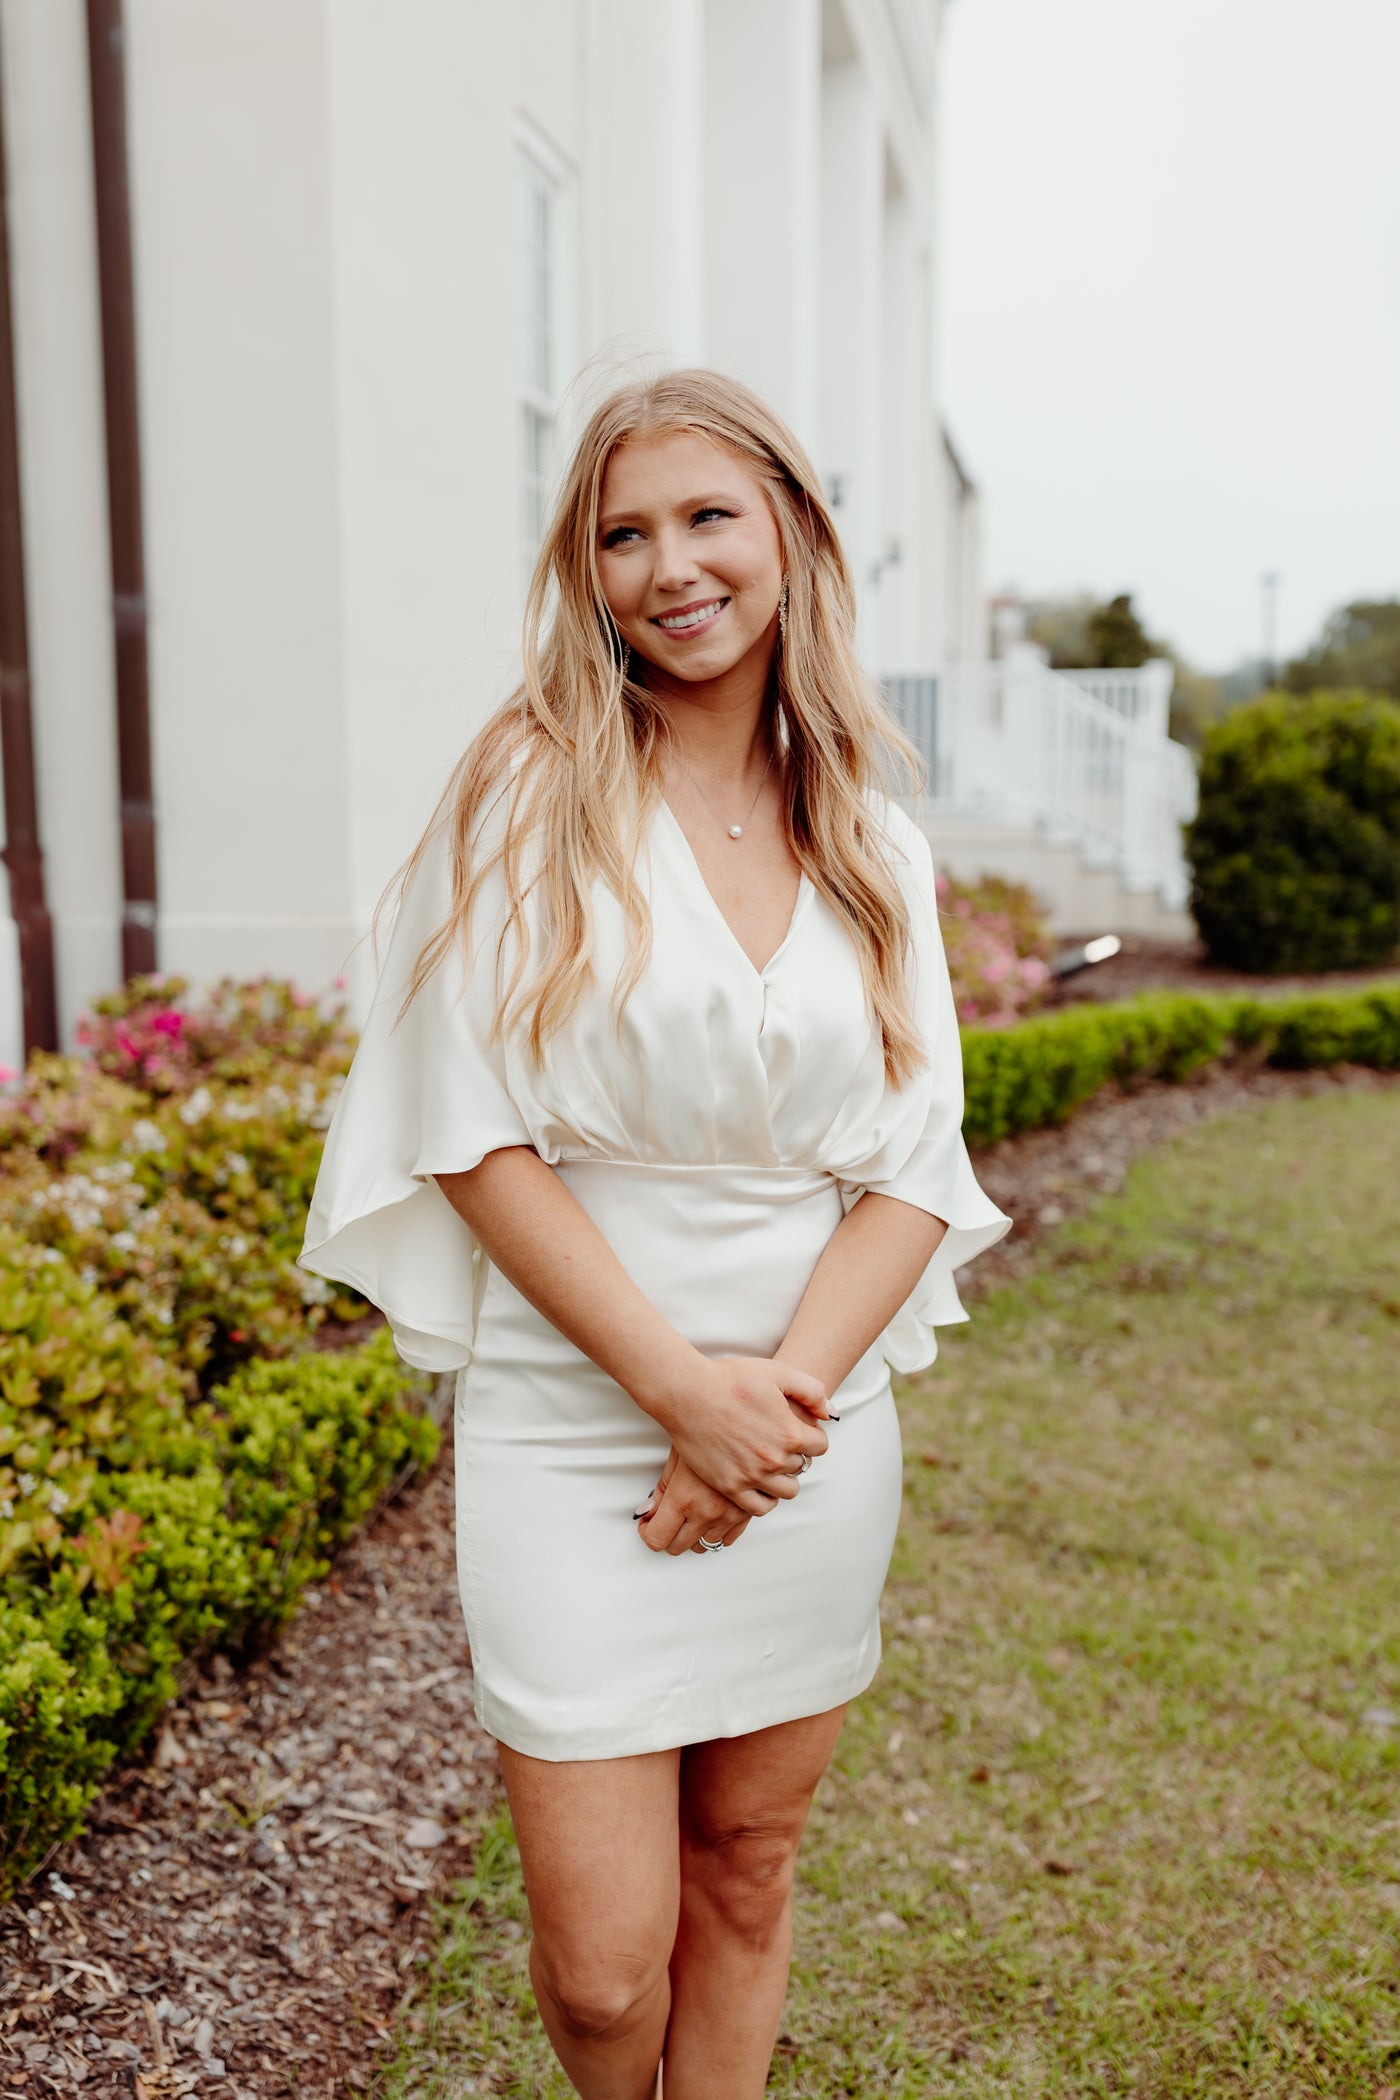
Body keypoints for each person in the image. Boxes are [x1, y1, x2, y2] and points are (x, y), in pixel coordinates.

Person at [299, 368, 1010, 2100]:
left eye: (708, 517)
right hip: (576, 1421)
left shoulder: (873, 832)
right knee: (606, 1969)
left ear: (791, 535)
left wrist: (769, 1411)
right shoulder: (529, 791)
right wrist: (681, 1398)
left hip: (807, 1431)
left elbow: (918, 1162)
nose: (669, 566)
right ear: (583, 568)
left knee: (748, 1870)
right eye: (622, 533)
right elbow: (464, 1126)